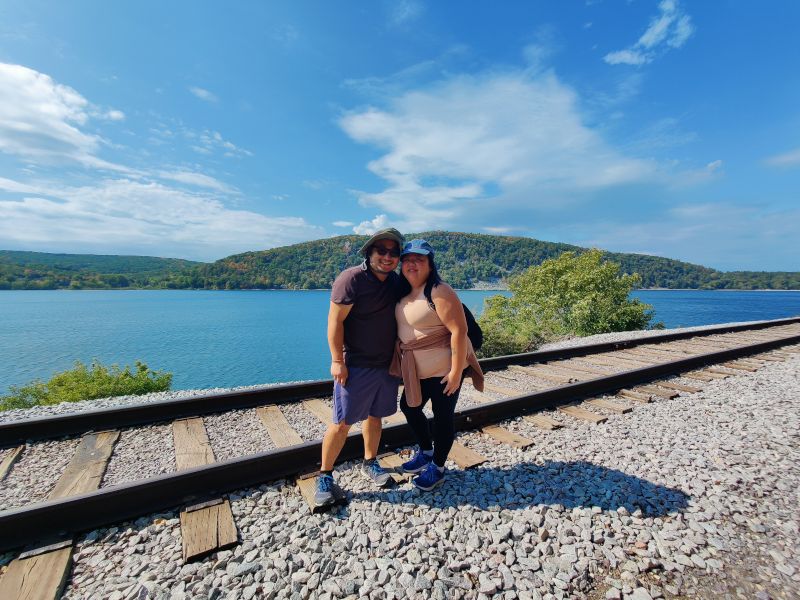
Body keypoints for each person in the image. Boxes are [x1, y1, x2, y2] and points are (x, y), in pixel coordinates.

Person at [315, 228, 405, 506]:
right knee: (342, 422)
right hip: (355, 364)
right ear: (369, 252)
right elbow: (335, 322)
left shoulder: (395, 283)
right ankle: (325, 475)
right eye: (382, 251)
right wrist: (337, 361)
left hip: (386, 365)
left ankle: (370, 461)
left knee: (376, 416)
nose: (388, 257)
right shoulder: (351, 279)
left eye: (394, 252)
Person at [390, 239, 484, 491]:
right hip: (416, 371)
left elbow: (459, 330)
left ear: (430, 264)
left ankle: (438, 468)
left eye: (419, 259)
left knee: (443, 418)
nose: (412, 264)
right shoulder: (403, 293)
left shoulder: (439, 290)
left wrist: (455, 372)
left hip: (444, 371)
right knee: (409, 408)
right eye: (408, 259)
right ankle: (426, 452)